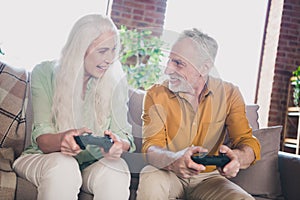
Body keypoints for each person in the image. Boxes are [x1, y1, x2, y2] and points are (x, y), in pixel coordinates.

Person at [13, 14, 135, 200]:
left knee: (116, 169)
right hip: (44, 158)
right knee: (64, 166)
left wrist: (119, 144)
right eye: (102, 51)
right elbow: (43, 140)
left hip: (90, 164)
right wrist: (63, 138)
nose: (110, 59)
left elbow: (125, 136)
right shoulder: (44, 73)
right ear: (80, 50)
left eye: (113, 50)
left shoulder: (115, 81)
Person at [136, 28, 261, 200]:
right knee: (150, 177)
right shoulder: (156, 94)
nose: (167, 70)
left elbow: (246, 141)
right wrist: (174, 159)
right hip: (168, 173)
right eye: (169, 60)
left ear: (204, 67)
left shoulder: (229, 94)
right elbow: (150, 148)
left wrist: (238, 158)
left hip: (209, 178)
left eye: (178, 63)